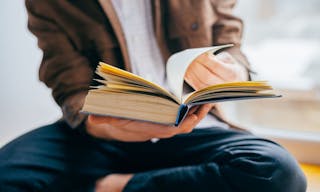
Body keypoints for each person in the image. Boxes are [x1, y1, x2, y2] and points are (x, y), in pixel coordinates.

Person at [0, 0, 306, 191]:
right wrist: (105, 124)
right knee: (7, 174)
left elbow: (230, 45)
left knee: (277, 171)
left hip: (196, 128)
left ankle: (114, 186)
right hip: (102, 131)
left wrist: (230, 71)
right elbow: (71, 87)